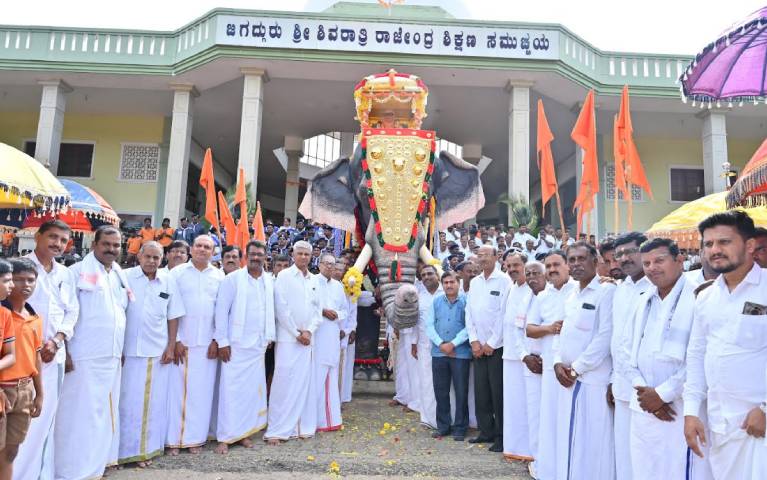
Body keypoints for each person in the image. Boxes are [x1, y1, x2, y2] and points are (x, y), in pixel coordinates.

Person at [684, 211, 767, 478]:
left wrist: (766, 408)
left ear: (750, 245)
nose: (715, 250)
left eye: (724, 242)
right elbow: (696, 355)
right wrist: (690, 412)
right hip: (719, 425)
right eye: (708, 244)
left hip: (758, 423)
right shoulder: (706, 297)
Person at [621, 238, 711, 479]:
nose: (652, 268)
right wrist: (644, 392)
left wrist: (663, 395)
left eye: (659, 260)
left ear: (679, 260)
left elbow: (701, 356)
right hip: (643, 406)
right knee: (646, 468)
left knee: (683, 469)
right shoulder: (643, 299)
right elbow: (626, 351)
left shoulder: (700, 295)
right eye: (647, 263)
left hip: (682, 407)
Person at [55, 226, 130, 480]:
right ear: (94, 244)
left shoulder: (118, 273)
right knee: (76, 415)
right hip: (82, 356)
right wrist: (65, 350)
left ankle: (93, 468)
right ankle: (69, 471)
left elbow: (121, 313)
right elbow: (64, 314)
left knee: (101, 414)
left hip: (110, 356)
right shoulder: (75, 272)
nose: (112, 249)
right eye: (106, 244)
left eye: (116, 245)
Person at [14, 220, 78, 480]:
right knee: (19, 420)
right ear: (37, 236)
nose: (57, 244)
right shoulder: (18, 268)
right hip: (21, 358)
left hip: (54, 357)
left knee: (44, 420)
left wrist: (58, 340)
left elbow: (72, 311)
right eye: (52, 237)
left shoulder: (65, 273)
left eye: (63, 240)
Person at [553, 241, 616, 480]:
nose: (577, 264)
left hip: (592, 380)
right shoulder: (571, 293)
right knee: (571, 439)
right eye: (572, 260)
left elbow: (604, 337)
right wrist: (557, 362)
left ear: (595, 261)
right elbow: (561, 329)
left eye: (582, 259)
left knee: (594, 444)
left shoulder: (606, 291)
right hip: (567, 379)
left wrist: (576, 369)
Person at [119, 241, 184, 466]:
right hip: (127, 352)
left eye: (156, 258)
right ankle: (120, 452)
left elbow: (173, 316)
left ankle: (146, 451)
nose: (152, 261)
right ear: (139, 256)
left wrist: (170, 346)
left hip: (157, 353)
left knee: (153, 404)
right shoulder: (125, 277)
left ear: (162, 258)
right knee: (126, 403)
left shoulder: (168, 280)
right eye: (148, 256)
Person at [213, 240, 275, 453]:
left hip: (258, 346)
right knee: (230, 392)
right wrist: (222, 342)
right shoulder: (232, 280)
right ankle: (225, 436)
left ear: (265, 257)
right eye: (253, 254)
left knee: (251, 393)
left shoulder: (268, 281)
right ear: (245, 257)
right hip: (235, 345)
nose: (256, 257)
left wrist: (269, 337)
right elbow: (221, 313)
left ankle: (243, 434)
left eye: (260, 254)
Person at [166, 235, 224, 455]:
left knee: (201, 394)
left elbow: (221, 312)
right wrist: (177, 340)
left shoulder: (219, 277)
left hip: (207, 345)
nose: (202, 250)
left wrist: (217, 340)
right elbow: (171, 307)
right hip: (183, 342)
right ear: (191, 249)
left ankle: (195, 440)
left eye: (207, 247)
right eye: (198, 246)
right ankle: (174, 441)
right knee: (177, 394)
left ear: (213, 251)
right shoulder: (177, 274)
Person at [526, 249, 577, 480]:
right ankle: (551, 469)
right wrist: (550, 328)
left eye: (557, 264)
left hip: (574, 369)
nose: (552, 269)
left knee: (572, 421)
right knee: (550, 420)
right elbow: (530, 329)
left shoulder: (578, 291)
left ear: (567, 266)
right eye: (549, 266)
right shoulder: (542, 297)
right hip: (549, 369)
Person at [265, 241, 321, 444]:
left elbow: (317, 310)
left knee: (304, 383)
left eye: (307, 254)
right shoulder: (284, 276)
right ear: (293, 255)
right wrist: (297, 333)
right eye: (301, 254)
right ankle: (277, 429)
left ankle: (301, 427)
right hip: (289, 339)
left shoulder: (314, 279)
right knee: (283, 383)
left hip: (307, 339)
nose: (304, 257)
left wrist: (309, 331)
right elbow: (282, 309)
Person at [610, 231, 651, 480]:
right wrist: (613, 379)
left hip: (649, 388)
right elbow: (617, 339)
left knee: (646, 452)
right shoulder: (619, 288)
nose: (624, 258)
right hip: (621, 386)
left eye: (630, 251)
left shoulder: (657, 287)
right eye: (620, 254)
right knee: (624, 450)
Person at [0, 259, 42, 480]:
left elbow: (35, 358)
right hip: (2, 389)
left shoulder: (34, 318)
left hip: (23, 390)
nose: (24, 285)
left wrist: (40, 393)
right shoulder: (4, 314)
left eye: (30, 280)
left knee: (11, 450)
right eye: (16, 280)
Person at [466, 245, 510, 452]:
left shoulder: (504, 281)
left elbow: (504, 315)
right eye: (479, 255)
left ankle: (501, 436)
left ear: (496, 257)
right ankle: (486, 431)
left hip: (496, 348)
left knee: (497, 393)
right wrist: (474, 341)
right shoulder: (474, 282)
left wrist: (492, 343)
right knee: (481, 392)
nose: (482, 259)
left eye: (485, 255)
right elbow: (469, 313)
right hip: (478, 347)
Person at [427, 271, 471, 441]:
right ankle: (443, 426)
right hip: (439, 352)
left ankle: (460, 427)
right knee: (441, 391)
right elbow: (429, 325)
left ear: (458, 283)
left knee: (461, 392)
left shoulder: (466, 302)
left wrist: (453, 344)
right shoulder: (436, 301)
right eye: (445, 282)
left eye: (452, 282)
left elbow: (470, 326)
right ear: (442, 284)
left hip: (460, 353)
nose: (449, 285)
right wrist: (441, 344)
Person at [501, 251, 533, 461]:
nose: (512, 269)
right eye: (509, 266)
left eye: (516, 265)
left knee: (527, 403)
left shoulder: (533, 289)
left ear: (525, 266)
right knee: (513, 404)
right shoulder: (511, 288)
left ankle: (529, 448)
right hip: (509, 354)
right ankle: (514, 447)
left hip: (527, 356)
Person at [517, 261, 547, 476]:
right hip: (531, 364)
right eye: (528, 274)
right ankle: (538, 459)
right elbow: (516, 332)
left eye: (536, 273)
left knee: (551, 415)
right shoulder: (524, 299)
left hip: (552, 366)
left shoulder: (555, 297)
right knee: (534, 414)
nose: (532, 277)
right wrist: (525, 356)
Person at [313, 253, 346, 432]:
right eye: (326, 264)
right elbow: (308, 305)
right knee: (317, 375)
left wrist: (336, 314)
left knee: (331, 375)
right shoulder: (312, 281)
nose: (329, 267)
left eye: (333, 265)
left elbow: (344, 311)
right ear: (319, 265)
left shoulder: (338, 286)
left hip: (332, 333)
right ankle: (314, 419)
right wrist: (322, 311)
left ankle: (330, 419)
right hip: (316, 335)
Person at [411, 264, 442, 429]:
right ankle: (428, 418)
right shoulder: (419, 297)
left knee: (444, 383)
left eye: (430, 273)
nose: (427, 277)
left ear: (437, 275)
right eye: (423, 275)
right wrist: (413, 343)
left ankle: (444, 418)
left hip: (444, 347)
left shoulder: (447, 293)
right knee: (425, 381)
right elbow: (417, 322)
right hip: (424, 345)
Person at [332, 261, 357, 404]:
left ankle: (338, 400)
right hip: (325, 334)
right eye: (335, 268)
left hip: (342, 335)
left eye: (340, 270)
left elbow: (352, 314)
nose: (337, 272)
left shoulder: (349, 290)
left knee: (341, 368)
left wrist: (347, 331)